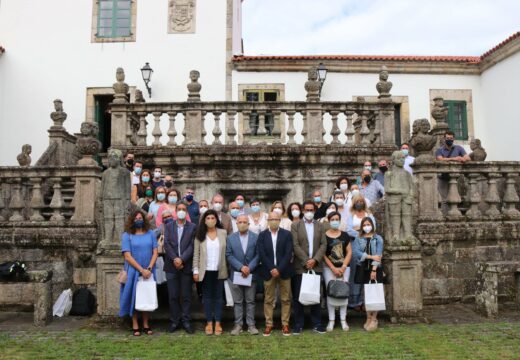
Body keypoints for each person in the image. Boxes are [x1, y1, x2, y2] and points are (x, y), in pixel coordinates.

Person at [119, 210, 158, 336]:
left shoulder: (151, 233)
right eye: (136, 218)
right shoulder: (127, 235)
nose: (138, 220)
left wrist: (149, 269)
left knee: (146, 296)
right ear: (132, 220)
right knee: (134, 297)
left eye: (140, 217)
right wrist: (141, 270)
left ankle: (146, 323)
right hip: (133, 271)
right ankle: (135, 323)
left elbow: (155, 252)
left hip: (149, 270)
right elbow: (127, 256)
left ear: (145, 219)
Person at [290, 201, 327, 335]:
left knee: (315, 295)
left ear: (315, 210)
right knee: (298, 296)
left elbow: (323, 244)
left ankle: (317, 323)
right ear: (302, 210)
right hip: (301, 266)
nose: (309, 212)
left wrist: (315, 260)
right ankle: (298, 324)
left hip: (316, 266)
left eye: (312, 210)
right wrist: (306, 261)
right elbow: (295, 245)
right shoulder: (295, 225)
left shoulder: (320, 225)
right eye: (307, 210)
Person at [257, 211, 294, 337]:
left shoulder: (287, 234)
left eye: (276, 219)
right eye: (271, 219)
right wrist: (272, 268)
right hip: (268, 272)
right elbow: (262, 254)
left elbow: (288, 253)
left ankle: (285, 324)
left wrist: (279, 269)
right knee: (268, 299)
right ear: (268, 220)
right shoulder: (262, 235)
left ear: (280, 220)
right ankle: (269, 324)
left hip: (284, 271)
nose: (273, 221)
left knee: (286, 299)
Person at [193, 210, 228, 335]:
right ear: (204, 220)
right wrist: (195, 271)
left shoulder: (223, 233)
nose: (211, 220)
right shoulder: (200, 235)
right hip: (205, 271)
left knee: (219, 297)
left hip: (220, 270)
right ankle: (209, 322)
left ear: (216, 220)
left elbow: (227, 252)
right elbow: (196, 254)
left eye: (213, 218)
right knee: (207, 297)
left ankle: (218, 323)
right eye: (208, 218)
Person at [163, 201, 196, 334]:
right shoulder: (169, 226)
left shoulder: (193, 227)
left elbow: (192, 246)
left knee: (187, 295)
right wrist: (175, 258)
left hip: (186, 266)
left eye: (184, 209)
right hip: (171, 266)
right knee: (173, 296)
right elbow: (166, 244)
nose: (182, 211)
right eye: (179, 209)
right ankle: (175, 320)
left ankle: (186, 321)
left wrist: (182, 259)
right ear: (176, 211)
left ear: (186, 212)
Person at [226, 214, 260, 335]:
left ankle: (251, 325)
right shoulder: (230, 238)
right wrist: (240, 267)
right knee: (238, 302)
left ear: (248, 224)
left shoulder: (256, 237)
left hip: (251, 274)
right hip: (236, 274)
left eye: (244, 222)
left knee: (250, 301)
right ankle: (238, 325)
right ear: (236, 224)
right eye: (239, 222)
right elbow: (229, 255)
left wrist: (249, 267)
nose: (242, 224)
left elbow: (258, 254)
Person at [351, 217, 384, 331]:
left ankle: (374, 318)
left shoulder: (378, 238)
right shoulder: (358, 238)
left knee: (376, 293)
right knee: (366, 294)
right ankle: (368, 317)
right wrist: (370, 256)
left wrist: (374, 269)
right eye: (364, 225)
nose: (366, 226)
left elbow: (379, 255)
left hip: (375, 268)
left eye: (368, 224)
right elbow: (356, 253)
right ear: (362, 226)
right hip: (363, 269)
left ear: (372, 225)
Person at [323, 211, 353, 332]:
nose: (335, 221)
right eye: (332, 219)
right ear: (329, 221)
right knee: (331, 293)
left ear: (339, 221)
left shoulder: (345, 235)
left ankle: (343, 319)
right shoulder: (324, 236)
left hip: (345, 269)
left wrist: (343, 267)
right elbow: (324, 255)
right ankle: (331, 320)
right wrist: (333, 268)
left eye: (337, 219)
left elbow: (349, 252)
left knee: (343, 293)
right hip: (329, 269)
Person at [436, 131, 471, 213]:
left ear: (454, 139)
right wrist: (454, 159)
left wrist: (463, 159)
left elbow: (468, 158)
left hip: (455, 178)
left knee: (455, 197)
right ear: (444, 139)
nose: (449, 140)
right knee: (444, 199)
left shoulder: (459, 148)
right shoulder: (440, 150)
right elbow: (440, 159)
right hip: (442, 177)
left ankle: (453, 214)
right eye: (447, 138)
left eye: (451, 138)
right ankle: (445, 215)